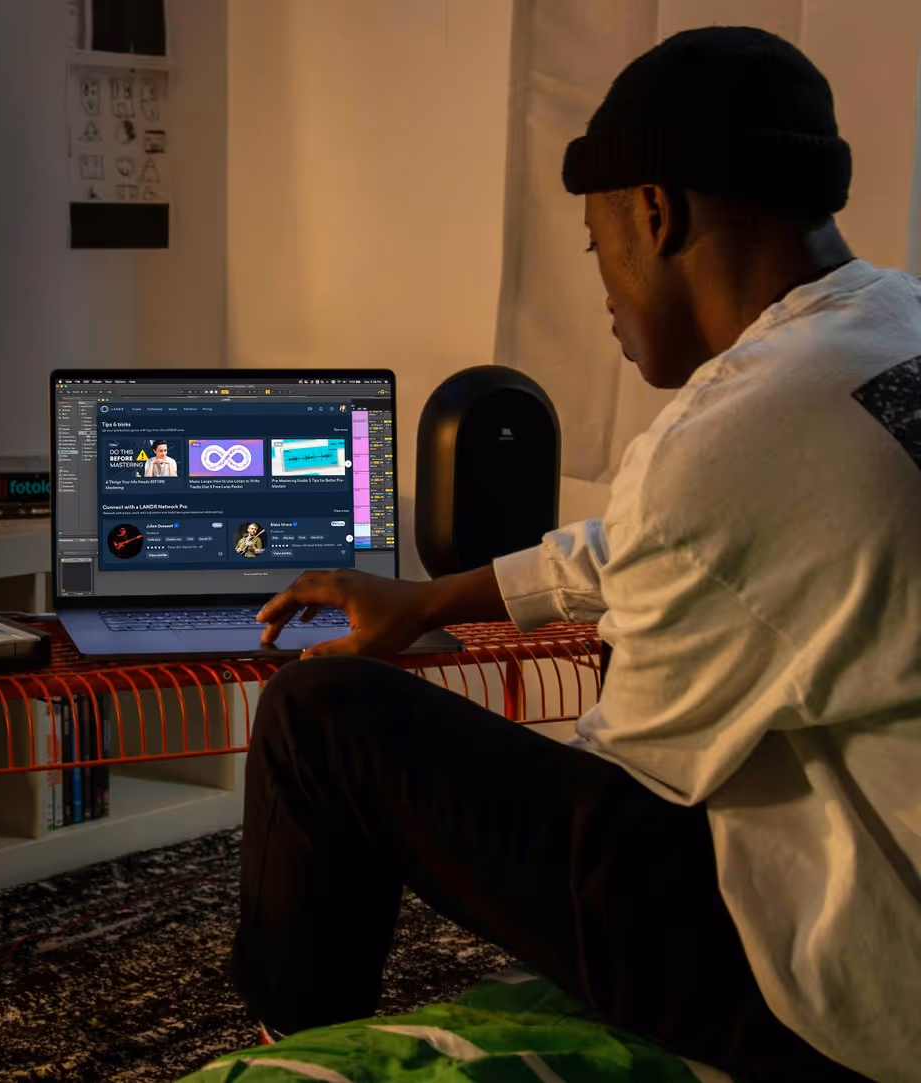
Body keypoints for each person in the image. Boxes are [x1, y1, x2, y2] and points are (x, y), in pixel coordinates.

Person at [234, 27, 919, 1083]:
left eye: (593, 241)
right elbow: (659, 547)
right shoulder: (890, 328)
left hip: (858, 996)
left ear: (654, 211)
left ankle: (295, 1057)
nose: (600, 282)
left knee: (320, 724)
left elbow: (627, 789)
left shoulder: (732, 438)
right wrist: (428, 600)